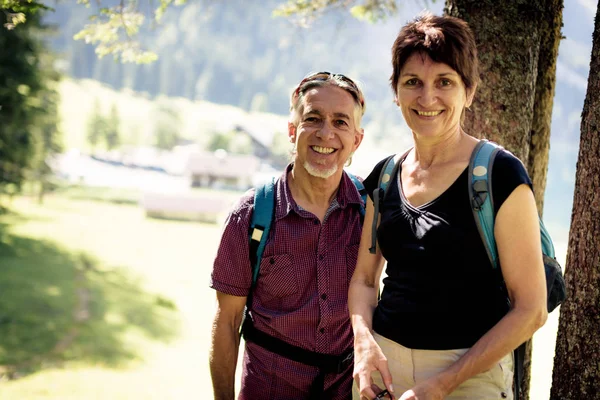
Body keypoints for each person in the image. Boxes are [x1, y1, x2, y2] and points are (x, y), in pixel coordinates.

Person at [349, 13, 548, 400]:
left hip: (467, 378)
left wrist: (440, 385)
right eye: (413, 83)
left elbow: (531, 310)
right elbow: (364, 280)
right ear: (396, 92)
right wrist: (362, 342)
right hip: (382, 371)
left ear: (468, 92)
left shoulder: (499, 175)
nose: (427, 98)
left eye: (445, 82)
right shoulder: (385, 176)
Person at [210, 71, 367, 400]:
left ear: (356, 139)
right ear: (293, 130)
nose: (326, 133)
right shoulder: (251, 215)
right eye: (313, 118)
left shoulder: (370, 212)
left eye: (341, 122)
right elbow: (227, 324)